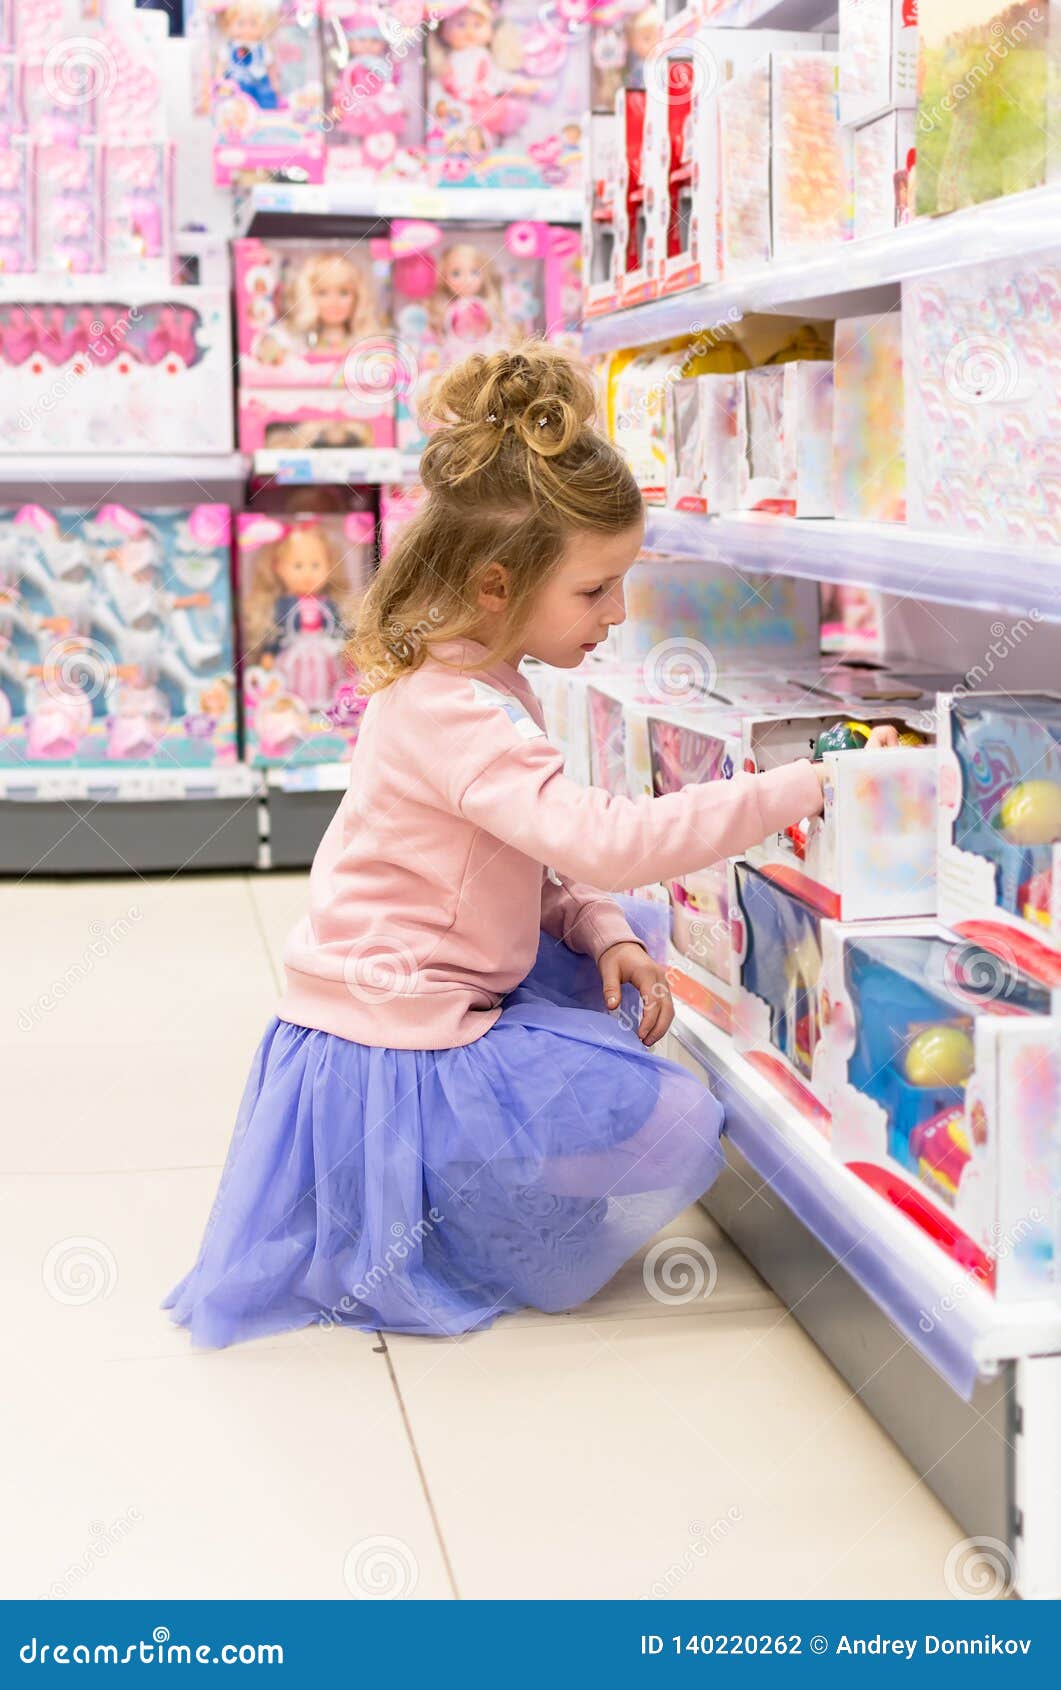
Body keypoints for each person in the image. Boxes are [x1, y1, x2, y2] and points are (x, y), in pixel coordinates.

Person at [161, 343, 893, 1349]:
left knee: (606, 963)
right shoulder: (453, 709)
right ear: (497, 584)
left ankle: (481, 1184)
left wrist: (599, 931)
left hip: (427, 980)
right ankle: (474, 1194)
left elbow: (529, 863)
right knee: (666, 1117)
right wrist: (794, 788)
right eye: (595, 590)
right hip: (400, 1036)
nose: (619, 612)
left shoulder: (477, 676)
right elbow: (606, 840)